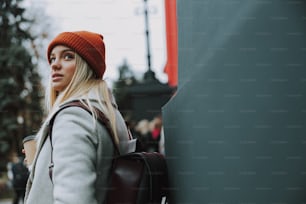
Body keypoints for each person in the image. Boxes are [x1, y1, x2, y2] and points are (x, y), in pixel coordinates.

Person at [24, 31, 136, 204]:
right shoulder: (103, 114)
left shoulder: (73, 118)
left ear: (87, 66)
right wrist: (38, 167)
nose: (54, 65)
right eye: (53, 58)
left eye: (67, 57)